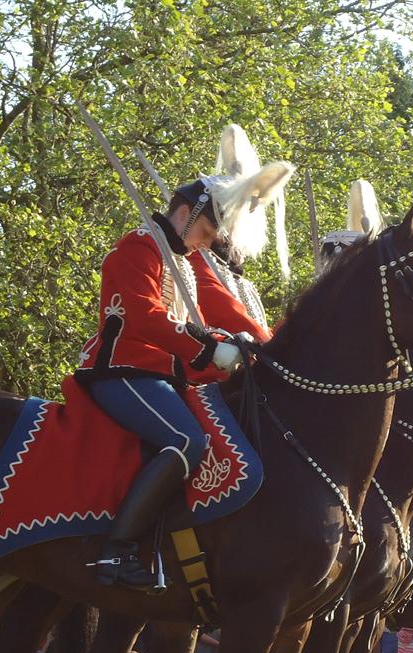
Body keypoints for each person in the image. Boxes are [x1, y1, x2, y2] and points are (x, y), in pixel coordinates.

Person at [77, 131, 291, 592]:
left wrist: (260, 347)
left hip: (160, 376)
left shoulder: (187, 262)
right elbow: (146, 316)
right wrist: (209, 348)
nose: (206, 243)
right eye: (206, 231)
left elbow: (213, 314)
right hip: (123, 369)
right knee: (185, 440)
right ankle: (115, 552)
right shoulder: (138, 245)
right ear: (186, 213)